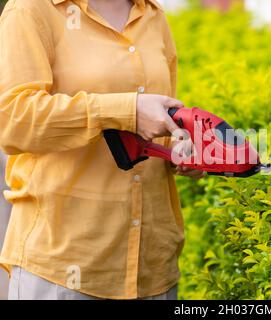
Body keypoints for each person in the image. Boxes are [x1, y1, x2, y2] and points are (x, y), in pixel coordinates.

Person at [0, 0, 203, 300]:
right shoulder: (32, 9)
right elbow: (13, 120)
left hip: (153, 268)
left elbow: (160, 118)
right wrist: (125, 109)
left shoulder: (153, 15)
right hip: (64, 270)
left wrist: (181, 148)